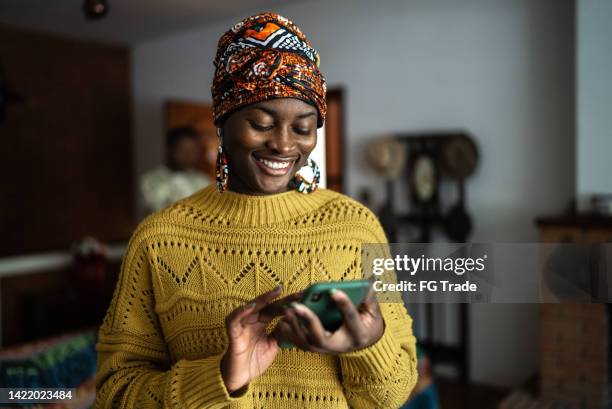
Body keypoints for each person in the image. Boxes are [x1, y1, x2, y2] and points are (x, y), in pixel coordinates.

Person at [94, 12, 417, 408]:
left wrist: (370, 344)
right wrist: (221, 378)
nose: (283, 145)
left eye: (302, 128)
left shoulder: (356, 226)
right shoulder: (159, 238)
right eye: (261, 123)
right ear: (223, 123)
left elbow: (392, 395)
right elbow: (114, 394)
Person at [140, 126, 211, 213]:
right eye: (184, 150)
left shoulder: (203, 181)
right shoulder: (150, 179)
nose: (188, 155)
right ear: (170, 149)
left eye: (193, 151)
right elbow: (157, 208)